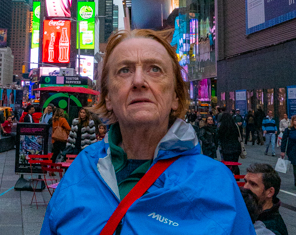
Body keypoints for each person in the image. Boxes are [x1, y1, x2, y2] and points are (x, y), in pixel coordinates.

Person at [41, 29, 255, 234]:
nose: (138, 81)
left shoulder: (218, 184)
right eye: (124, 70)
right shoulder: (81, 170)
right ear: (107, 98)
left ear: (175, 96)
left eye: (155, 69)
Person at [243, 163, 288, 235]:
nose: (245, 187)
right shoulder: (250, 211)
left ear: (270, 192)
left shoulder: (270, 229)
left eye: (253, 184)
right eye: (245, 181)